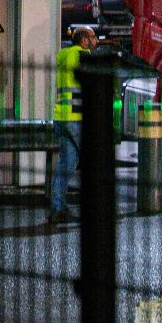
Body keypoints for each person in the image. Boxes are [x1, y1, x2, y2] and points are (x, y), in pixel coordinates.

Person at [48, 26, 98, 225]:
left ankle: (58, 208)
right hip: (76, 119)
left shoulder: (63, 56)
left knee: (65, 166)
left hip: (60, 117)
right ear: (84, 41)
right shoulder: (83, 57)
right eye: (93, 38)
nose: (96, 41)